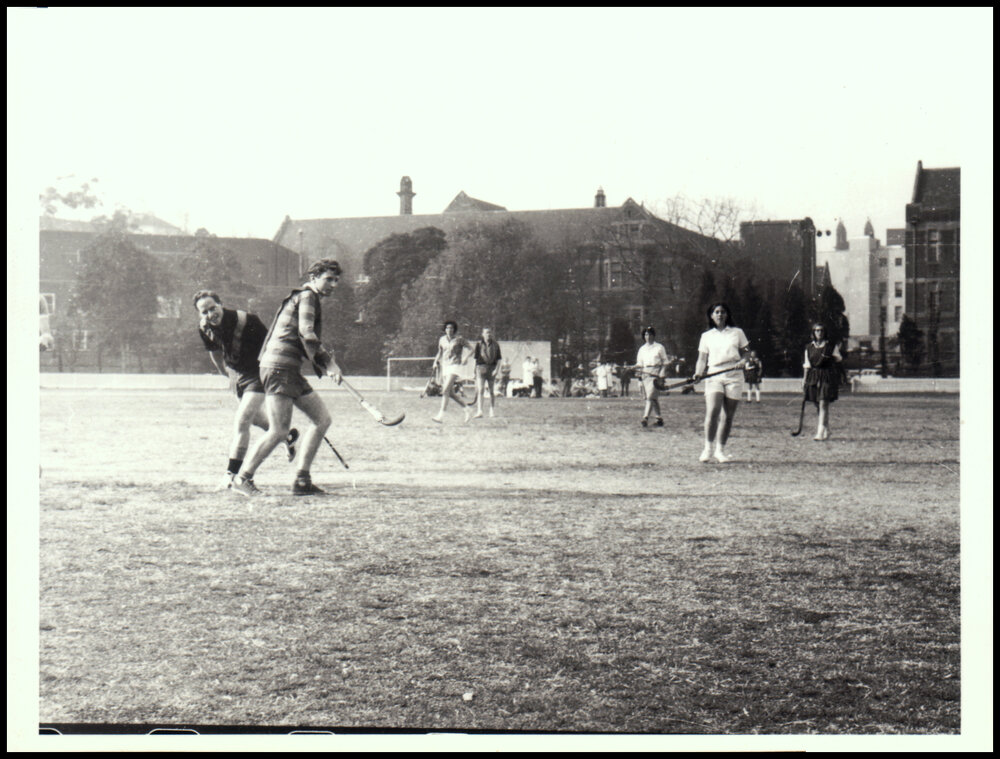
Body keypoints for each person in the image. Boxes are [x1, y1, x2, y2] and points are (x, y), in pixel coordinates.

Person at [231, 259, 344, 497]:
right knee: (280, 430)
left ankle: (302, 480)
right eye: (328, 279)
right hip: (279, 368)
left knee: (322, 419)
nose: (333, 284)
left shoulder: (304, 297)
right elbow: (307, 332)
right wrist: (330, 363)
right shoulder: (307, 297)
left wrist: (325, 363)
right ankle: (243, 478)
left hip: (287, 369)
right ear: (314, 277)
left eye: (336, 280)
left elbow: (302, 337)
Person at [194, 290, 298, 491]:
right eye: (204, 311)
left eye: (213, 308)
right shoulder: (204, 327)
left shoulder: (246, 320)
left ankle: (231, 476)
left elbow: (272, 344)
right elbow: (215, 355)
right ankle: (286, 437)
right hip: (237, 375)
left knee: (242, 422)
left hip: (258, 373)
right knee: (256, 419)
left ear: (220, 304)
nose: (210, 314)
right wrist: (227, 375)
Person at [694, 303, 750, 463]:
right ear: (711, 316)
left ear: (727, 315)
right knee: (713, 411)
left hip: (734, 375)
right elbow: (702, 359)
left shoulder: (737, 332)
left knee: (728, 416)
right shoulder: (706, 336)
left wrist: (743, 361)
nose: (720, 315)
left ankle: (720, 450)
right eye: (716, 312)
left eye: (723, 312)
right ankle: (707, 449)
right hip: (714, 375)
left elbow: (747, 353)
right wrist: (698, 373)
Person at [803, 323, 843, 441]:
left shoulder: (830, 347)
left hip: (827, 376)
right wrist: (804, 380)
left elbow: (838, 359)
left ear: (824, 332)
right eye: (816, 330)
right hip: (814, 376)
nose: (819, 333)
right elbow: (807, 365)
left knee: (823, 403)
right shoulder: (809, 347)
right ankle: (827, 428)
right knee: (817, 404)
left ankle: (820, 432)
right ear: (813, 332)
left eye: (821, 330)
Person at [432, 320, 475, 423]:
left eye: (451, 328)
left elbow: (472, 349)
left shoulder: (459, 339)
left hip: (455, 366)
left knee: (445, 390)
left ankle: (441, 415)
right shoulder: (442, 340)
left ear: (454, 329)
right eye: (447, 328)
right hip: (445, 366)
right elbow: (440, 352)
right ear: (445, 329)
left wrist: (466, 357)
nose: (449, 330)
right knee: (450, 392)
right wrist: (435, 362)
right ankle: (467, 409)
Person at [634, 326, 668, 427]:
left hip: (656, 373)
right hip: (645, 374)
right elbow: (640, 364)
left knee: (650, 396)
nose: (647, 336)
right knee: (653, 398)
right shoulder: (642, 349)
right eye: (646, 334)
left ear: (654, 335)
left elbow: (665, 362)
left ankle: (645, 418)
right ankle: (659, 418)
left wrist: (662, 372)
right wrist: (634, 368)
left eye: (649, 334)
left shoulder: (659, 347)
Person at [472, 326, 502, 418]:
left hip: (491, 368)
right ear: (483, 334)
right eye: (486, 333)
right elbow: (475, 359)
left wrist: (496, 370)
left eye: (489, 332)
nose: (488, 334)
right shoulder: (479, 344)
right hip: (481, 368)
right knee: (480, 389)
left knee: (491, 390)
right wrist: (474, 371)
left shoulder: (496, 345)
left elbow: (499, 359)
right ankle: (480, 411)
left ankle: (491, 410)